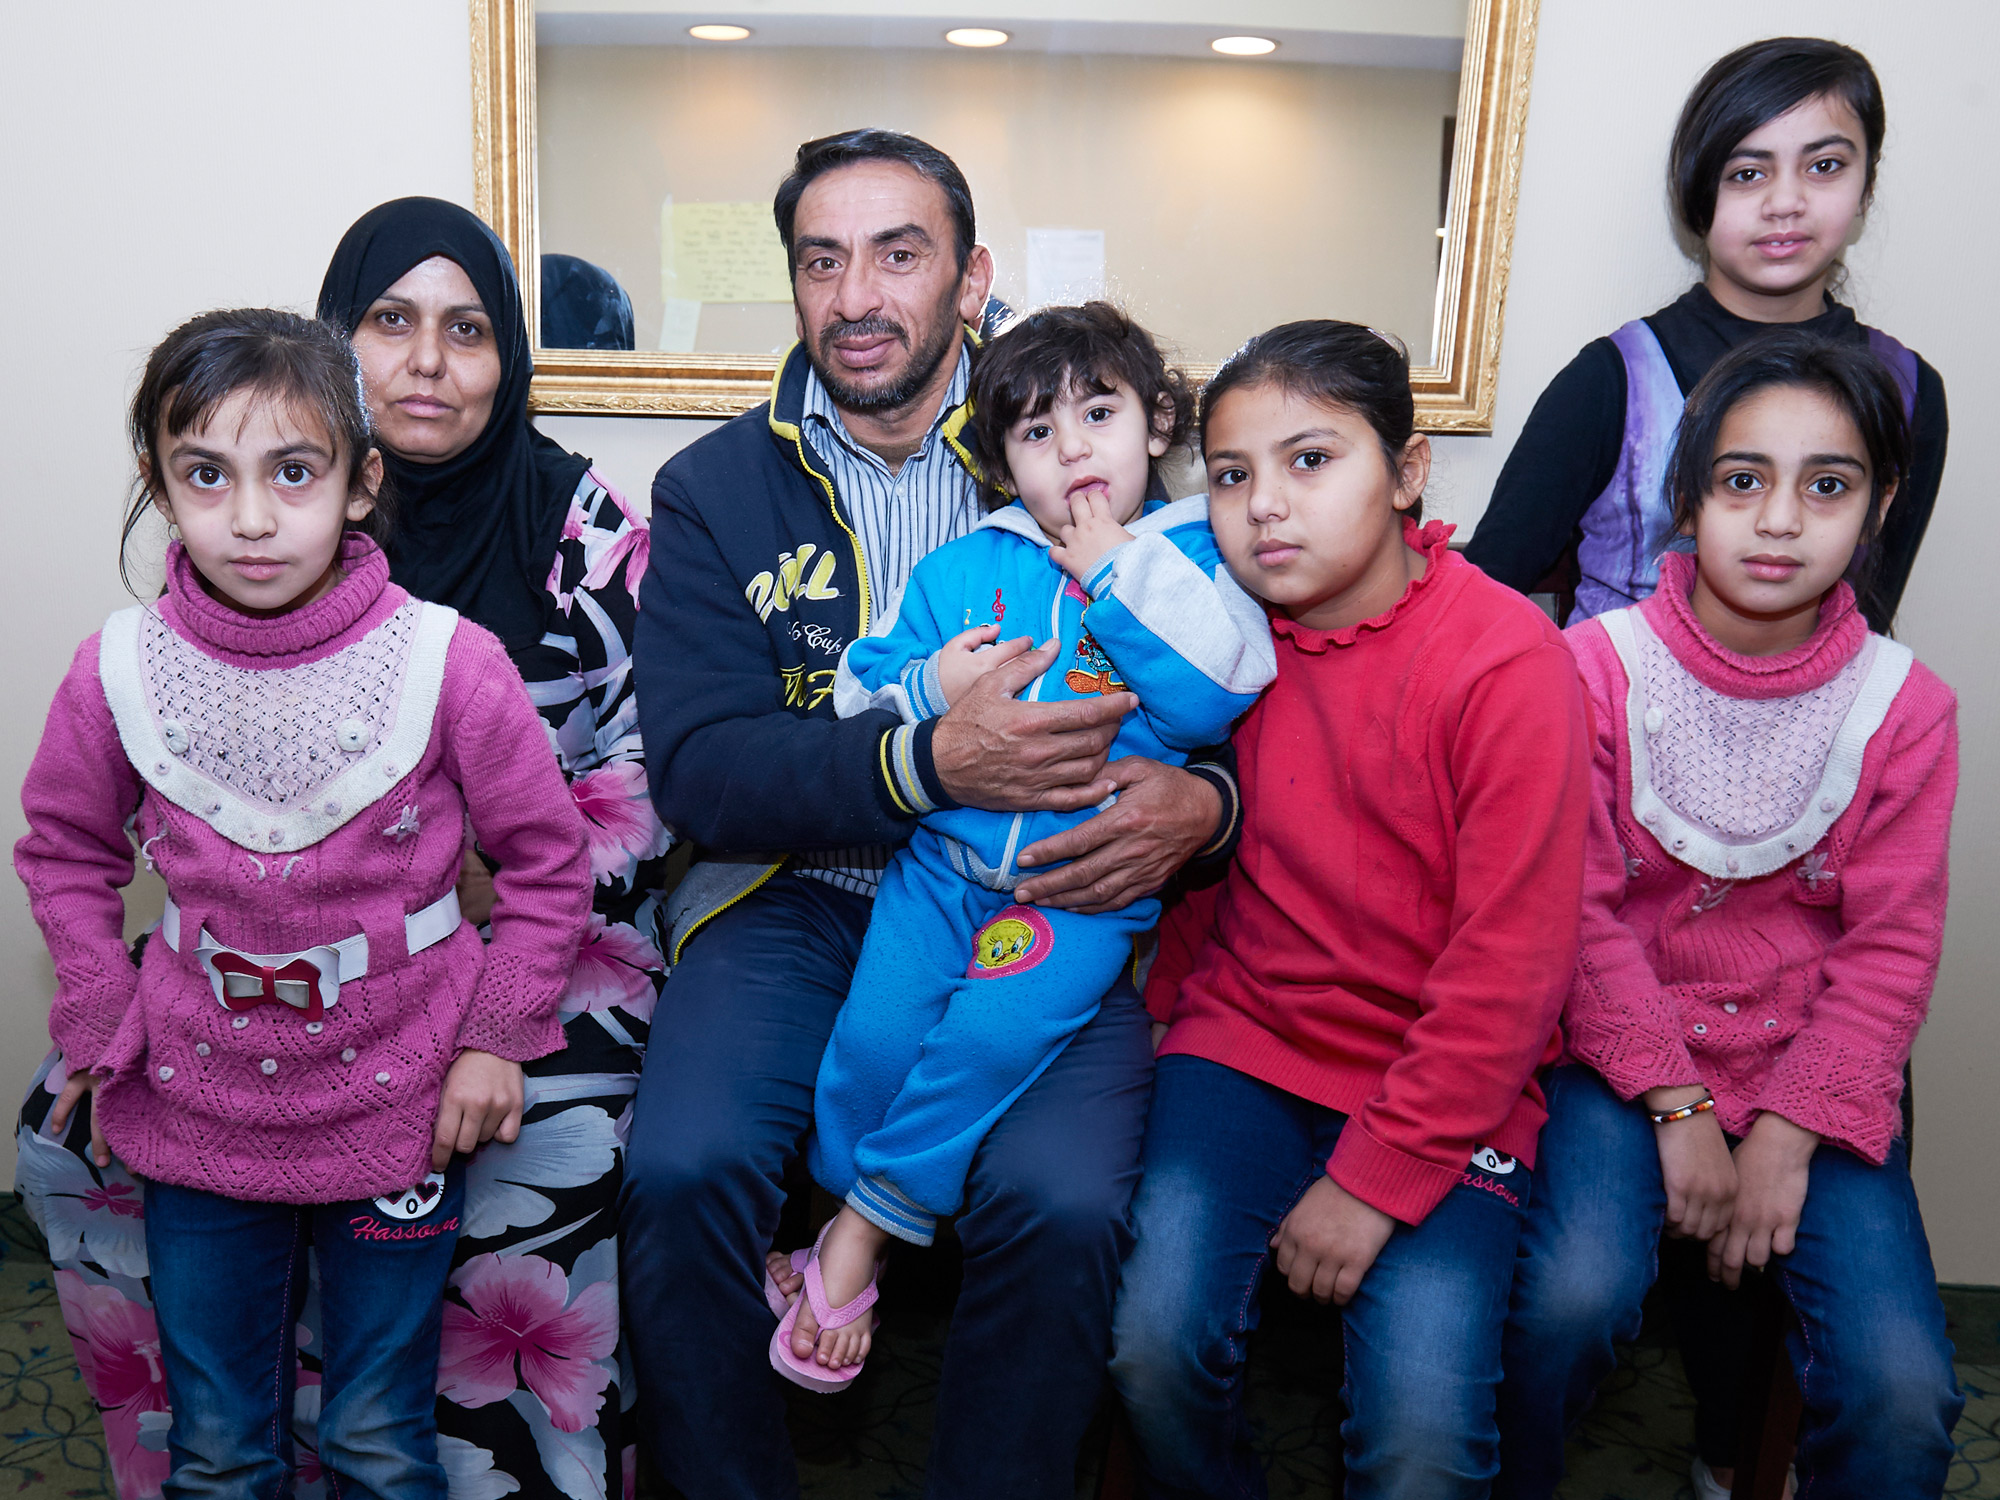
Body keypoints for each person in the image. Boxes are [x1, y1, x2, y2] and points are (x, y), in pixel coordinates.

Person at [15, 197, 668, 1500]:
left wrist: (491, 1021)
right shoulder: (130, 666)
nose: (253, 517)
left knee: (378, 1434)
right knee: (219, 1439)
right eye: (207, 476)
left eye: (466, 329)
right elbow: (66, 842)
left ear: (352, 478)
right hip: (207, 1075)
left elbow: (572, 840)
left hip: (412, 1061)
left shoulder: (480, 626)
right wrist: (102, 1010)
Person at [626, 130, 1240, 1499]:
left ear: (970, 278)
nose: (858, 296)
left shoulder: (1076, 441)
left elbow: (1236, 681)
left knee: (1067, 1202)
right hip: (795, 893)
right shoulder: (717, 491)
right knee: (685, 1166)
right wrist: (925, 762)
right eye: (822, 261)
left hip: (1054, 893)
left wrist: (1207, 804)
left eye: (900, 255)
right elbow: (705, 769)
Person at [1109, 321, 1593, 1499]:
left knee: (1420, 1437)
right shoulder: (1213, 640)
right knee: (1152, 1344)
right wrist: (1167, 1024)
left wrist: (1377, 1176)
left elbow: (1510, 974)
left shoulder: (1504, 661)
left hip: (1444, 1078)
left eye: (1310, 460)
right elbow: (1179, 848)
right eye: (1231, 475)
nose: (1264, 506)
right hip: (1242, 1045)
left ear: (1408, 471)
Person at [770, 303, 1275, 1388]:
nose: (1074, 448)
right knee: (865, 1047)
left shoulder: (1191, 561)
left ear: (1156, 427)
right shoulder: (966, 564)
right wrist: (933, 685)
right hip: (936, 878)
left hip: (1073, 900)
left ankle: (864, 1234)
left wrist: (1115, 574)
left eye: (1099, 414)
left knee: (982, 1047)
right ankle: (837, 1211)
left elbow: (1208, 702)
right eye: (1037, 434)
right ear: (1003, 465)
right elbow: (859, 694)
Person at [1494, 332, 1963, 1498]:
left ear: (1880, 505)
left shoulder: (1907, 709)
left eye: (1828, 486)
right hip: (1622, 1054)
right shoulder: (1588, 668)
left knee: (1902, 1392)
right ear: (1687, 496)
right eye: (1742, 481)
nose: (1777, 521)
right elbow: (1581, 915)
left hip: (1811, 1069)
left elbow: (1888, 954)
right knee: (1568, 1303)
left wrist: (1789, 1136)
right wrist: (1680, 1104)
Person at [1465, 37, 1947, 634]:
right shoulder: (1609, 380)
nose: (1786, 203)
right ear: (1697, 193)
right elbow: (1482, 605)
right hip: (1610, 718)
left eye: (1825, 166)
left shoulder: (1908, 389)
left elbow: (1868, 618)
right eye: (1748, 173)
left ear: (1865, 186)